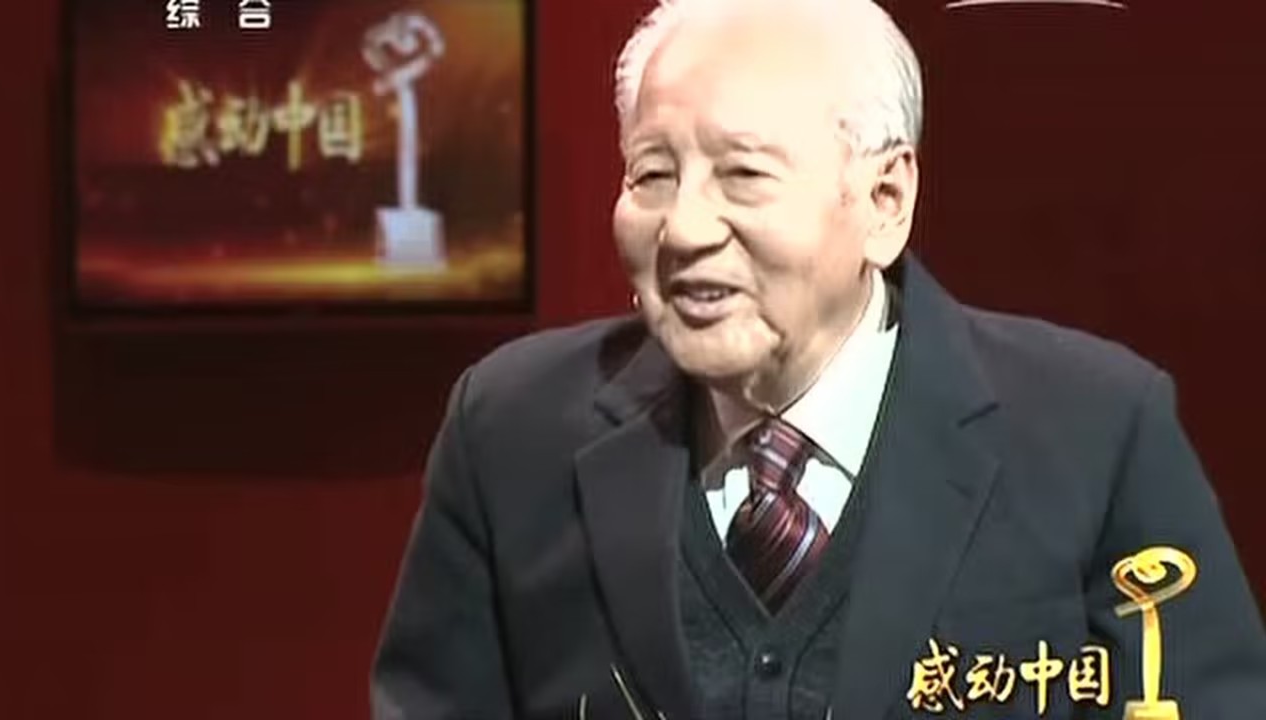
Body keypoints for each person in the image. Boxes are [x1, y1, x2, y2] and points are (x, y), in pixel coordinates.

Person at [370, 0, 1266, 717]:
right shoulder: (510, 430)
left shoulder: (1096, 434)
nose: (684, 228)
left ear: (884, 200)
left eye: (743, 174)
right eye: (652, 174)